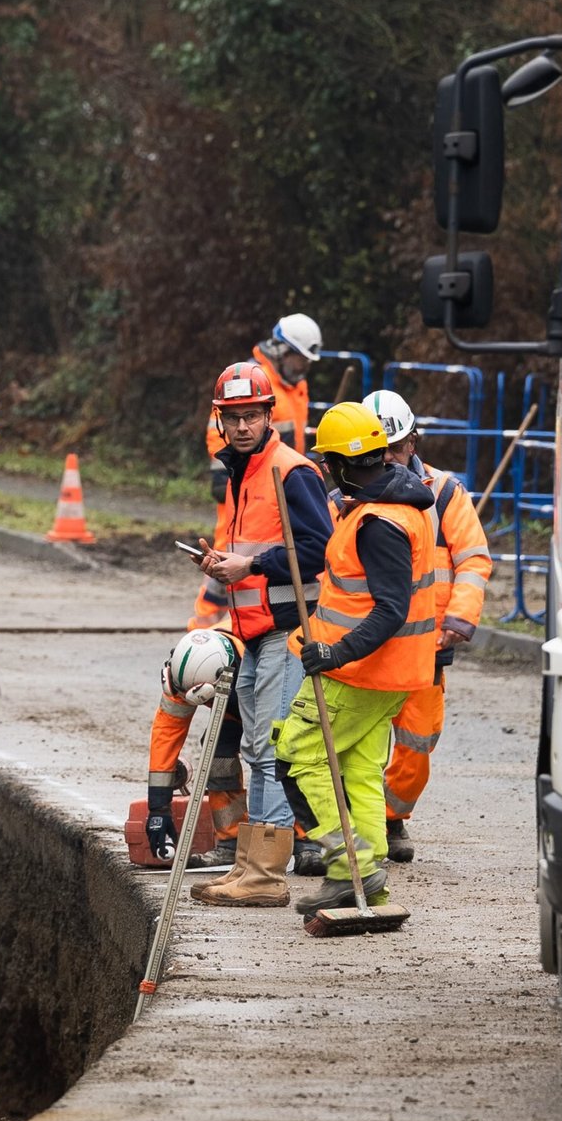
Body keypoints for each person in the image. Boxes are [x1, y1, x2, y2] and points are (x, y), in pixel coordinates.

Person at [272, 402, 439, 916]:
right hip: (392, 674)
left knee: (297, 757)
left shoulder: (378, 523)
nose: (325, 469)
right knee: (361, 770)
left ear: (344, 463)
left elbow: (390, 609)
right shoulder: (393, 507)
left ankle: (350, 868)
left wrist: (334, 652)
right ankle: (371, 878)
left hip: (359, 671)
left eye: (328, 461)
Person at [188, 360, 332, 909]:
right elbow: (254, 545)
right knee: (256, 746)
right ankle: (251, 863)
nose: (243, 426)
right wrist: (222, 561)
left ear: (269, 414)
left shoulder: (290, 470)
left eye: (251, 416)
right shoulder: (241, 472)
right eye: (233, 417)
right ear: (220, 422)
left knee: (272, 749)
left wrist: (248, 569)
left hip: (288, 628)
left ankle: (266, 875)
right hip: (254, 631)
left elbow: (320, 549)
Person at [362, 388, 494, 862]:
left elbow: (474, 559)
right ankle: (357, 824)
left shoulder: (444, 493)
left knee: (417, 743)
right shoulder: (345, 490)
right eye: (379, 452)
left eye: (395, 449)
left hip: (427, 645)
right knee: (358, 739)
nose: (389, 460)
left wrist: (459, 616)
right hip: (368, 641)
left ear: (412, 443)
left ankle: (393, 818)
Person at [187, 314, 322, 633]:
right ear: (280, 349)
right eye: (299, 359)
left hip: (283, 481)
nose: (303, 367)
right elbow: (219, 431)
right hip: (244, 486)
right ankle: (204, 631)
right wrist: (224, 475)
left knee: (259, 561)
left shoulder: (295, 386)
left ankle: (243, 626)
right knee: (227, 556)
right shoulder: (250, 383)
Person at [146, 631, 248, 871]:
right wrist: (158, 808)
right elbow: (166, 736)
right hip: (233, 703)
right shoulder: (186, 671)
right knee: (218, 756)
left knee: (285, 759)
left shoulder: (259, 662)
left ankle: (306, 841)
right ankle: (231, 841)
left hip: (272, 697)